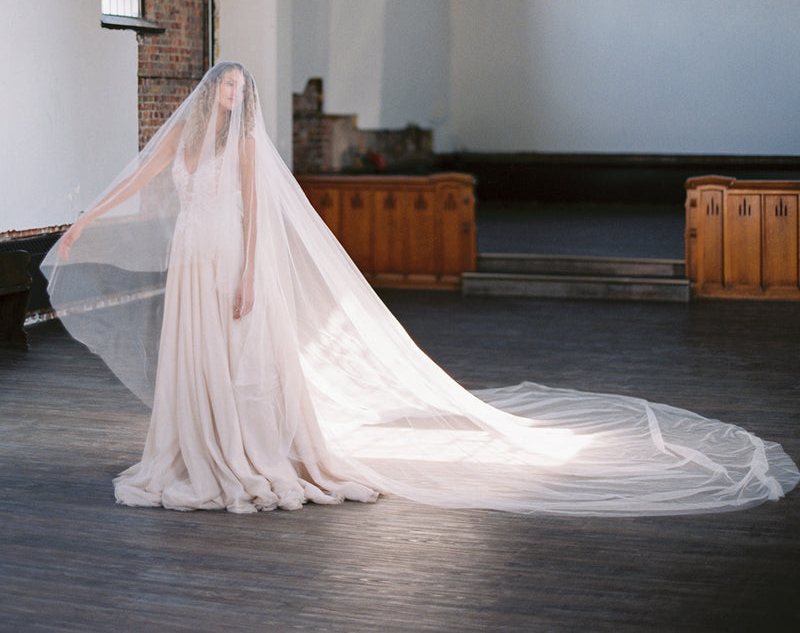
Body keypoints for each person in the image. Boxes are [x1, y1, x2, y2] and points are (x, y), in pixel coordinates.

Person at [43, 62, 799, 516]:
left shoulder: (243, 146)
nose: (236, 97)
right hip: (190, 263)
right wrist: (84, 222)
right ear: (211, 93)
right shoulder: (185, 138)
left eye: (244, 88)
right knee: (195, 359)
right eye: (228, 87)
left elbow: (252, 218)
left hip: (228, 262)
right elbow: (141, 180)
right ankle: (190, 447)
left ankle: (245, 450)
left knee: (239, 360)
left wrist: (247, 280)